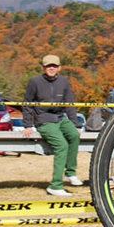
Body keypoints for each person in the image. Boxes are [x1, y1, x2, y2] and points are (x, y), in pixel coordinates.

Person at [22, 55, 83, 196]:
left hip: (61, 118)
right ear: (43, 67)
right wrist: (27, 125)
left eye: (54, 66)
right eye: (48, 66)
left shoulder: (64, 82)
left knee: (74, 135)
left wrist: (76, 124)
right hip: (44, 120)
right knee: (62, 146)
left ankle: (70, 173)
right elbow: (27, 103)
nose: (51, 68)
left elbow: (69, 104)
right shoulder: (35, 82)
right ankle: (55, 186)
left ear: (59, 68)